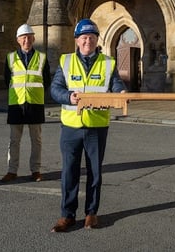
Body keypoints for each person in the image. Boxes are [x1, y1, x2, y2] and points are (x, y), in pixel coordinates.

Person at [49, 18, 126, 232]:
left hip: (96, 126)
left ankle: (91, 213)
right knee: (69, 172)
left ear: (96, 40)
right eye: (84, 38)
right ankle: (67, 215)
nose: (87, 42)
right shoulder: (65, 62)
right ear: (76, 40)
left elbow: (116, 83)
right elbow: (55, 89)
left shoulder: (108, 63)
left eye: (91, 38)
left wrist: (121, 92)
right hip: (71, 126)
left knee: (95, 172)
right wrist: (68, 96)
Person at [1, 23, 51, 183]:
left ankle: (36, 170)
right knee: (14, 141)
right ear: (18, 40)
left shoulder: (42, 57)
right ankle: (12, 171)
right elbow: (7, 80)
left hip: (35, 104)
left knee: (36, 140)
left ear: (33, 39)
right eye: (23, 38)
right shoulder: (10, 58)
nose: (26, 40)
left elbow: (47, 80)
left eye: (29, 37)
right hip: (16, 105)